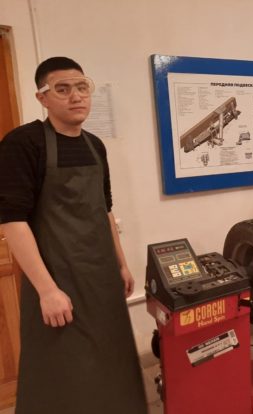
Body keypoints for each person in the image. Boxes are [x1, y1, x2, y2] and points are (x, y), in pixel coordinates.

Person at [0, 57, 148, 413]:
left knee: (111, 361)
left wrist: (121, 264)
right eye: (62, 89)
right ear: (42, 98)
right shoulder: (24, 143)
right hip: (57, 277)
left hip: (101, 277)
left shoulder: (95, 145)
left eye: (82, 87)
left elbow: (105, 208)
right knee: (63, 372)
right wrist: (47, 290)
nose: (76, 96)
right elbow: (12, 220)